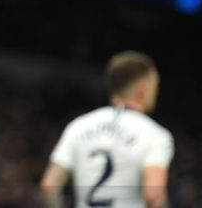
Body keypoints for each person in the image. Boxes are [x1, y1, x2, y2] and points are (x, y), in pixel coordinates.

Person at [40, 50, 174, 208]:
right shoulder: (156, 135)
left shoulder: (78, 125)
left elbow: (49, 185)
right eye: (155, 86)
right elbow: (153, 195)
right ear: (141, 90)